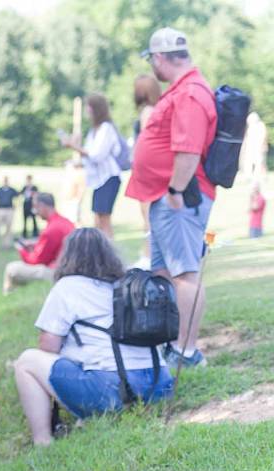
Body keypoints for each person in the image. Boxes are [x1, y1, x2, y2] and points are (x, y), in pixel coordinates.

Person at [13, 228, 174, 446]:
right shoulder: (126, 283)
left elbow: (48, 346)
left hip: (113, 390)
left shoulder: (67, 287)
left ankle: (43, 441)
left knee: (26, 361)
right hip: (159, 383)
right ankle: (93, 416)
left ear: (68, 256)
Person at [125, 27, 217, 368]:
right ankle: (173, 345)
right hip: (165, 198)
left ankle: (187, 352)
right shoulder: (181, 90)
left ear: (161, 58)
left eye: (152, 60)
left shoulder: (190, 93)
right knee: (166, 271)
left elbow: (189, 151)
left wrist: (175, 192)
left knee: (185, 275)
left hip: (180, 198)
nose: (152, 68)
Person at [64, 93, 123, 239]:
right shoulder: (94, 130)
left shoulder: (106, 129)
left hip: (108, 178)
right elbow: (89, 157)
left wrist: (73, 146)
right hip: (99, 180)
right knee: (97, 218)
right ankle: (101, 252)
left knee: (104, 219)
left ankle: (108, 255)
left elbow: (97, 155)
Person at [2, 192, 74, 295]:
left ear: (43, 206)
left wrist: (21, 249)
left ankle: (9, 296)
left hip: (57, 272)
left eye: (35, 207)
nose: (35, 212)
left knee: (11, 269)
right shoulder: (66, 222)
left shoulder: (51, 229)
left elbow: (36, 260)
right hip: (69, 268)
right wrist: (36, 245)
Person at [133, 74, 163, 267]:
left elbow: (146, 142)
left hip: (146, 171)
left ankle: (148, 254)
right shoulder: (156, 110)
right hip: (149, 169)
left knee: (148, 216)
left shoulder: (148, 112)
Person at [0, 176, 18, 250]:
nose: (6, 182)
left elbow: (17, 197)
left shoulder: (12, 190)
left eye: (7, 181)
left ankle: (7, 244)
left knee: (8, 228)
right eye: (4, 181)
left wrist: (15, 206)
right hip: (1, 210)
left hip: (9, 210)